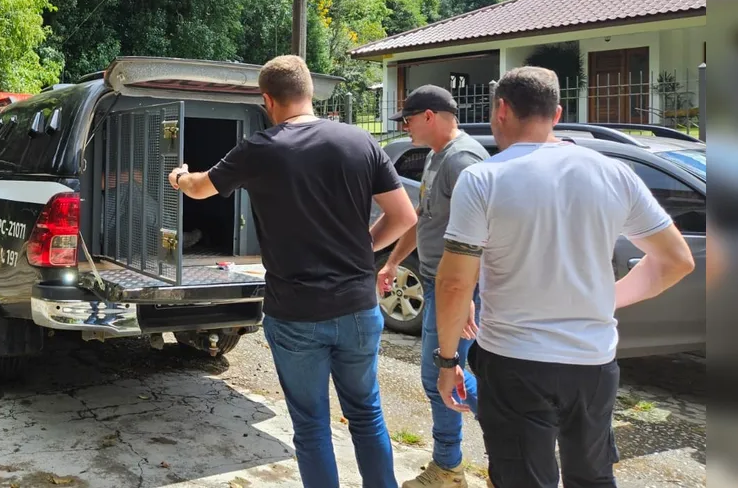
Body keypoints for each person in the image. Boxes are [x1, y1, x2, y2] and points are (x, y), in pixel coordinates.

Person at [433, 66, 695, 488]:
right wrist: (605, 300)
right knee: (591, 478)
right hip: (592, 362)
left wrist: (447, 362)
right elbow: (677, 260)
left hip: (515, 360)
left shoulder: (484, 178)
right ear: (556, 114)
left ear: (501, 110)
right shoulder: (613, 173)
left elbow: (454, 283)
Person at [167, 54, 417, 488]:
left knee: (312, 425)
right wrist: (364, 247)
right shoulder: (360, 143)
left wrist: (180, 177)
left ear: (268, 100)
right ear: (310, 94)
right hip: (358, 307)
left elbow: (203, 187)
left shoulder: (261, 149)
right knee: (366, 413)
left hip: (296, 311)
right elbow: (403, 217)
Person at [377, 85, 488, 488]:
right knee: (440, 373)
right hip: (438, 282)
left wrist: (469, 294)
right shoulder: (437, 158)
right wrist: (391, 261)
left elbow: (485, 232)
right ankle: (459, 462)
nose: (404, 128)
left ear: (428, 115)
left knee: (444, 373)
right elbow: (423, 216)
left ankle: (470, 460)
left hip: (456, 289)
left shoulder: (465, 160)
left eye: (406, 120)